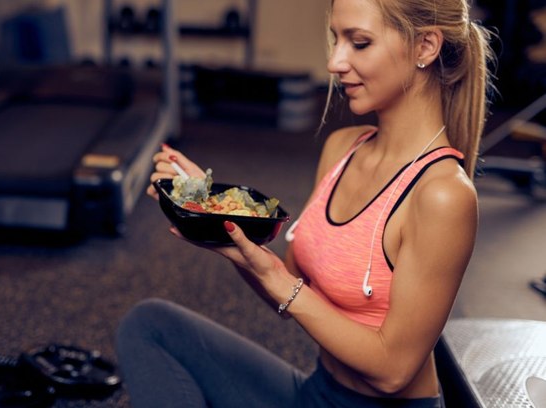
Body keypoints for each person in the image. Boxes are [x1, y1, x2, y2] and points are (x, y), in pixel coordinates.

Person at [115, 0, 495, 406]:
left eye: (359, 43)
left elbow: (392, 372)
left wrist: (281, 281)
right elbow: (291, 292)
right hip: (317, 394)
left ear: (425, 47)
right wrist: (208, 214)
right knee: (150, 325)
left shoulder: (442, 194)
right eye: (336, 40)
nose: (334, 62)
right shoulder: (343, 149)